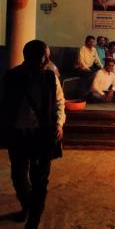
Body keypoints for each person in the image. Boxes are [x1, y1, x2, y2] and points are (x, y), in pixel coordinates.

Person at [1, 40, 65, 229]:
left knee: (39, 180)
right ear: (29, 56)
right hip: (18, 134)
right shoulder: (11, 77)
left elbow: (60, 103)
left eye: (46, 56)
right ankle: (27, 205)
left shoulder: (50, 78)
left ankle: (34, 219)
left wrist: (60, 123)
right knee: (18, 176)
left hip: (42, 135)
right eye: (43, 56)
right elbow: (4, 104)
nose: (46, 59)